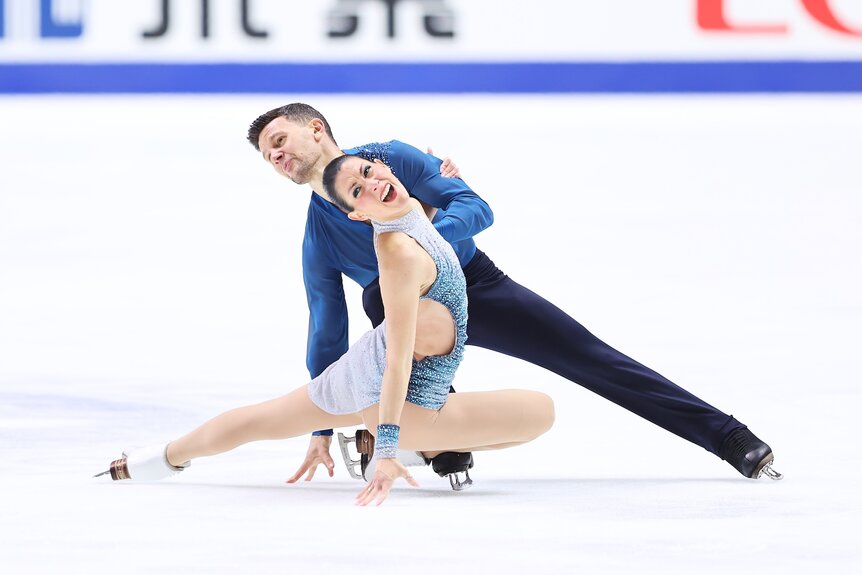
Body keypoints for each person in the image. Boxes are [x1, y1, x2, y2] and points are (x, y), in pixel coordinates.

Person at [247, 103, 782, 482]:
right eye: (267, 156)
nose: (275, 156)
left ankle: (727, 436)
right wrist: (320, 427)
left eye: (278, 140)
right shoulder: (319, 235)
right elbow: (327, 330)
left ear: (315, 128)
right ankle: (436, 437)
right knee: (381, 301)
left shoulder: (389, 159)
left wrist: (427, 236)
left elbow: (476, 207)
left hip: (477, 285)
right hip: (412, 320)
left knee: (589, 356)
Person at [97, 155, 555, 506]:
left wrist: (445, 176)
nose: (373, 184)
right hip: (404, 402)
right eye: (358, 190)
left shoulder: (409, 208)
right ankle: (400, 443)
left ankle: (152, 460)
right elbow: (398, 361)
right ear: (357, 215)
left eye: (369, 171)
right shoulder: (397, 252)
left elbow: (430, 213)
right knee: (542, 412)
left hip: (358, 372)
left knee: (259, 420)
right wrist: (388, 448)